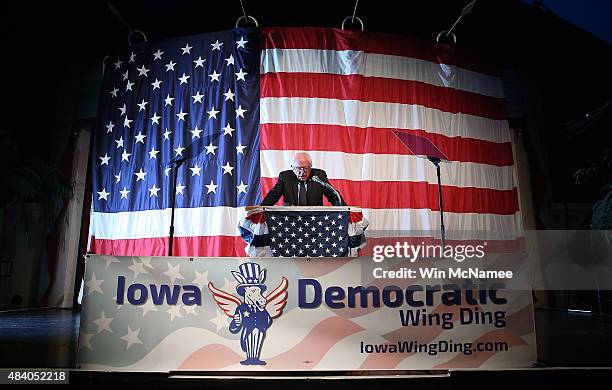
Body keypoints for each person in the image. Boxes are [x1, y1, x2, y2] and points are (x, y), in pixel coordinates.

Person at [261, 152, 345, 206]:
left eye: (306, 168)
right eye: (298, 168)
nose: (302, 172)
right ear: (292, 167)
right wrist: (261, 209)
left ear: (311, 167)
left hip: (315, 219)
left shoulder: (319, 175)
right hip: (291, 218)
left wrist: (343, 210)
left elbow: (333, 195)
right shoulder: (285, 177)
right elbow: (273, 195)